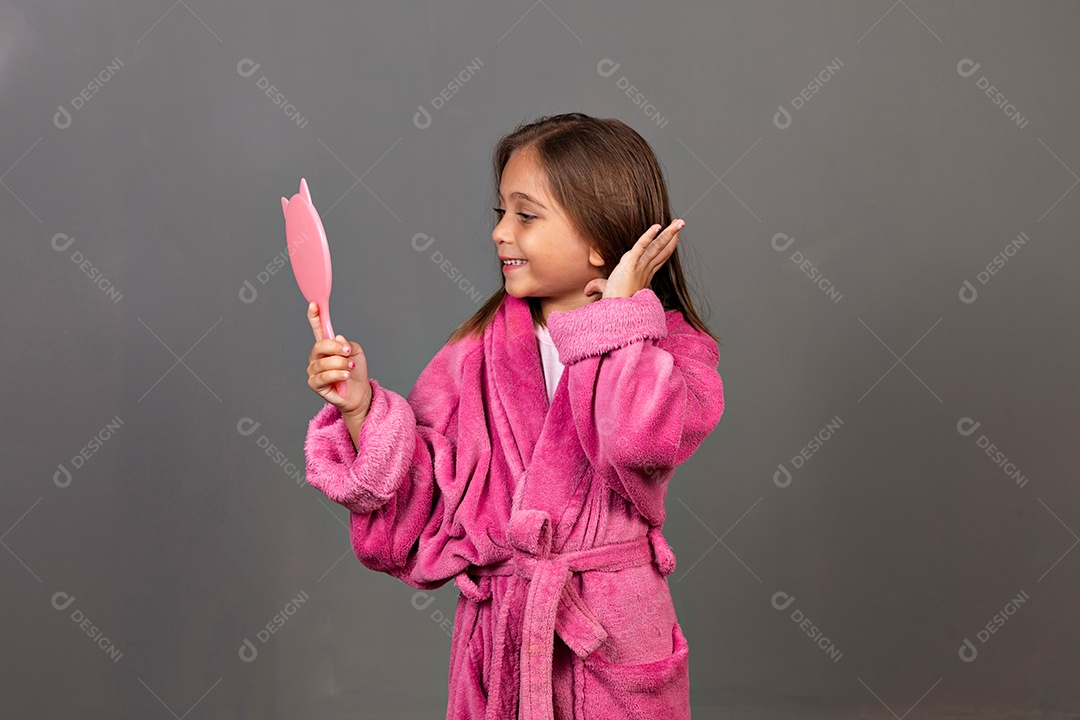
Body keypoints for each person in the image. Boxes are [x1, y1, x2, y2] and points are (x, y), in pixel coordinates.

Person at [302, 112, 724, 719]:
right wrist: (363, 410)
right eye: (500, 213)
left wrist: (622, 316)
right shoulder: (473, 353)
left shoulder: (671, 349)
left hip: (612, 638)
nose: (502, 233)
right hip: (501, 640)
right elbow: (426, 508)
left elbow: (636, 441)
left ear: (601, 238)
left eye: (525, 215)